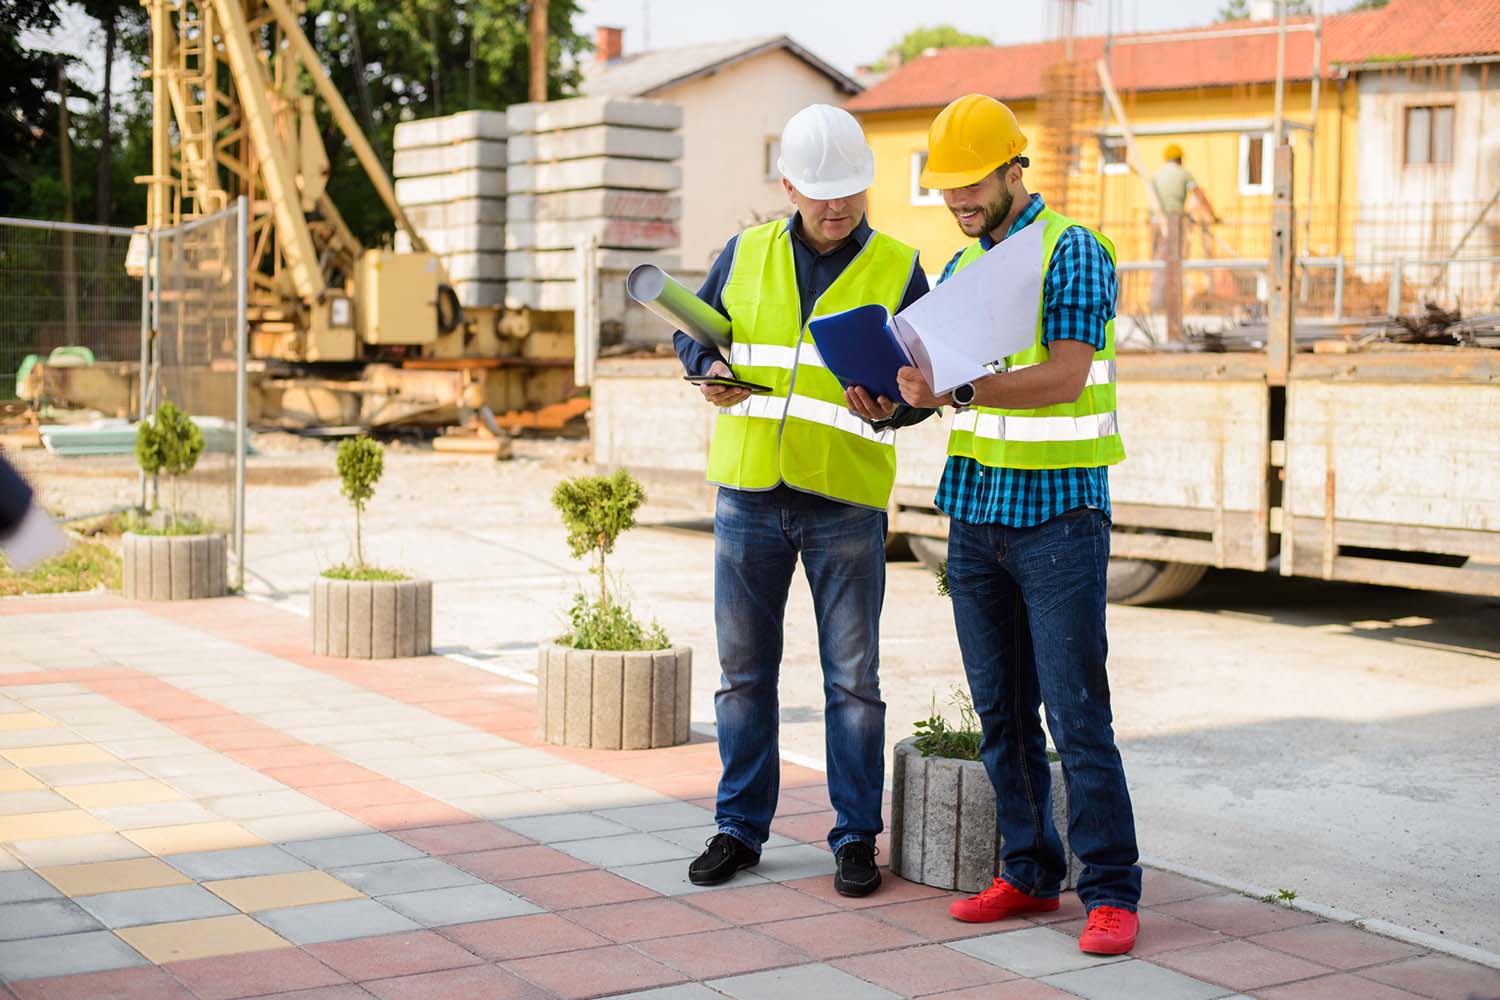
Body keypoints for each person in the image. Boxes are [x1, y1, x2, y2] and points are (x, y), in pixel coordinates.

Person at [896, 93, 1142, 955]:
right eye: (946, 190)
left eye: (971, 185)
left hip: (1058, 519)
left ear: (1013, 168)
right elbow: (952, 394)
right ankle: (1030, 871)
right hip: (976, 514)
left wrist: (955, 388)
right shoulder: (964, 272)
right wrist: (898, 400)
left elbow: (1067, 377)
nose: (958, 202)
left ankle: (1110, 890)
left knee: (1078, 717)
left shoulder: (1072, 253)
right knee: (1001, 712)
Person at [673, 103, 931, 898]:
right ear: (788, 185)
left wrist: (903, 408)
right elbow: (697, 332)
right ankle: (738, 829)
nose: (836, 206)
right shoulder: (743, 251)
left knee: (852, 682)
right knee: (742, 676)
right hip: (749, 492)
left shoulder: (898, 265)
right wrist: (702, 366)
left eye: (850, 190)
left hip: (845, 501)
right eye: (821, 191)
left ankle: (856, 838)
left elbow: (928, 381)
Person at [1150, 144, 1220, 309]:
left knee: (1158, 264)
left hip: (1157, 223)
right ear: (1180, 158)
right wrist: (1213, 216)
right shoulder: (1183, 174)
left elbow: (1152, 202)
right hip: (1175, 223)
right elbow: (1199, 193)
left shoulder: (1157, 175)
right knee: (1176, 261)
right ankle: (1173, 305)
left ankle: (1157, 305)